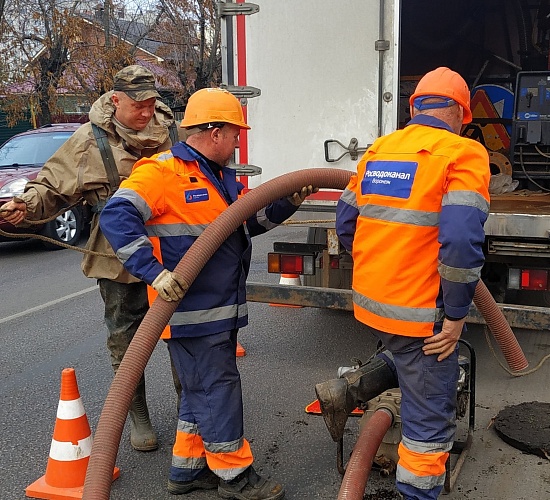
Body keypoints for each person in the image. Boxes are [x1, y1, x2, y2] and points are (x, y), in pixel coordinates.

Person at [99, 87, 315, 498]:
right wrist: (154, 273)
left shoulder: (221, 176)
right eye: (235, 133)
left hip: (218, 308)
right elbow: (117, 215)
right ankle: (234, 475)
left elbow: (247, 223)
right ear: (214, 132)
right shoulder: (162, 172)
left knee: (200, 389)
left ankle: (187, 469)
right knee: (217, 388)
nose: (238, 141)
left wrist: (287, 202)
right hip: (190, 312)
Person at [0, 65, 182, 452]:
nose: (147, 112)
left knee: (183, 333)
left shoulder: (171, 131)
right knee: (125, 337)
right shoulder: (89, 139)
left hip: (174, 247)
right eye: (138, 105)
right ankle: (139, 417)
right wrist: (26, 204)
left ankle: (192, 414)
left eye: (152, 103)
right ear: (116, 100)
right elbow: (51, 184)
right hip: (117, 255)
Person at [335, 67, 490, 500]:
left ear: (413, 107)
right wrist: (456, 316)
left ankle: (354, 388)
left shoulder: (379, 150)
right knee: (429, 425)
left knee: (403, 362)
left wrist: (384, 261)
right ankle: (418, 493)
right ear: (461, 112)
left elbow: (347, 223)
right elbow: (460, 242)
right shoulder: (464, 153)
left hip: (375, 301)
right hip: (423, 314)